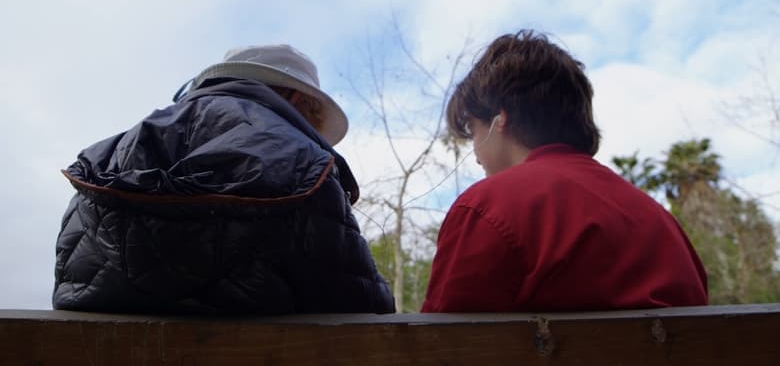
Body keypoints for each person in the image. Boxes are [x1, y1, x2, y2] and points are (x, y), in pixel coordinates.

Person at [53, 44, 395, 314]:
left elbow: (74, 279)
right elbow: (357, 300)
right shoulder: (304, 157)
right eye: (313, 114)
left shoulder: (115, 148)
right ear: (294, 98)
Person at [421, 31, 707, 312]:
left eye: (473, 130)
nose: (477, 156)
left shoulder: (485, 209)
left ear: (500, 120)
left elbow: (435, 351)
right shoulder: (663, 224)